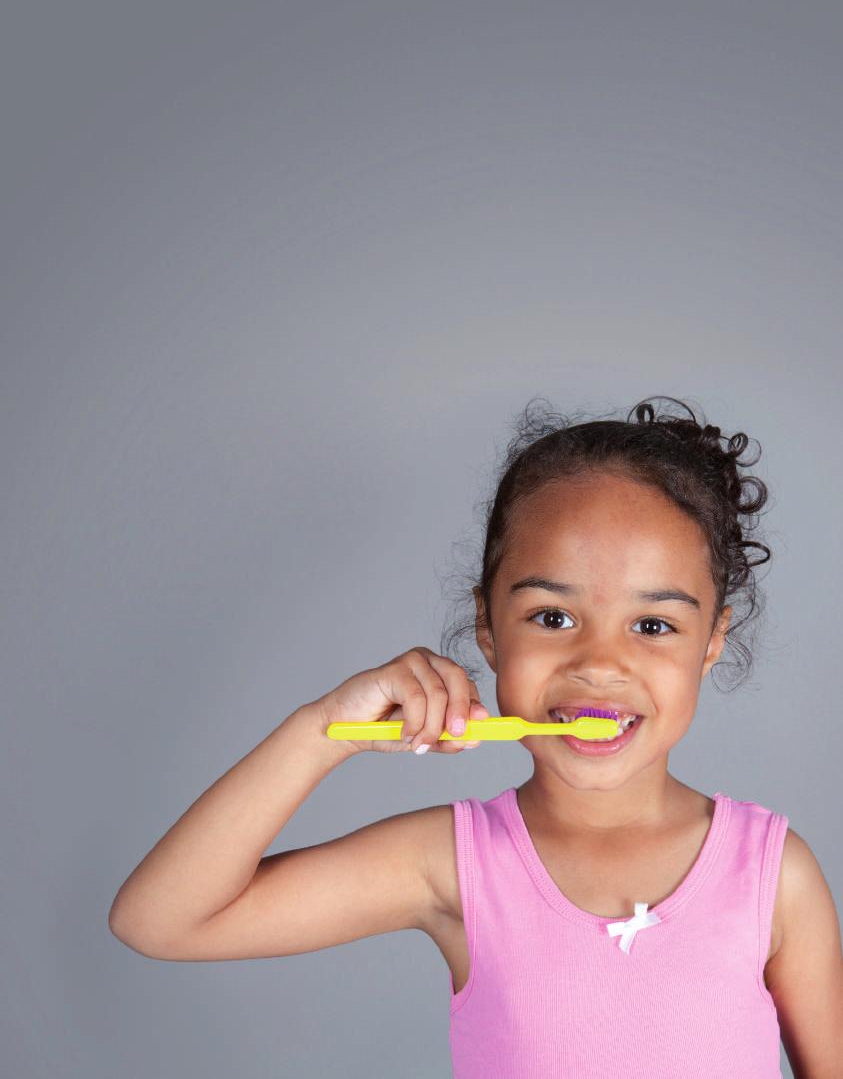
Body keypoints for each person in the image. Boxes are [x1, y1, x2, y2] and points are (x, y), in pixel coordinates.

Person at [108, 395, 843, 1078]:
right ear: (487, 629)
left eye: (653, 625)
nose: (598, 663)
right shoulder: (451, 864)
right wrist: (322, 730)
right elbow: (160, 920)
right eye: (551, 617)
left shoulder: (773, 874)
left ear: (711, 640)